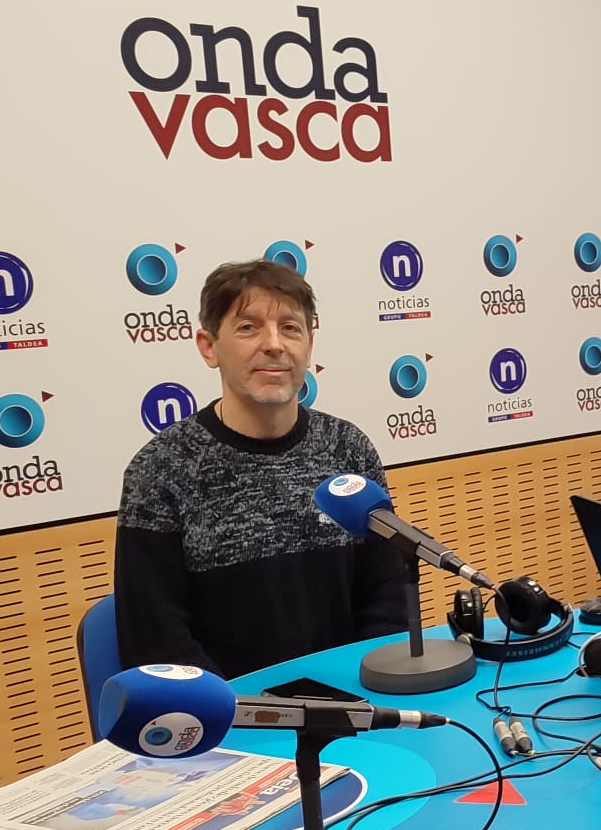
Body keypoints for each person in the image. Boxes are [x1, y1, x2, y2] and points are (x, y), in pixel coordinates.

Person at [114, 259, 410, 681]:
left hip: (357, 702)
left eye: (290, 327)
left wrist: (365, 693)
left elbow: (388, 601)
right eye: (248, 327)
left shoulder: (349, 449)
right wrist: (247, 712)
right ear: (208, 347)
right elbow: (156, 639)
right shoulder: (160, 470)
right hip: (228, 713)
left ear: (309, 344)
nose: (274, 344)